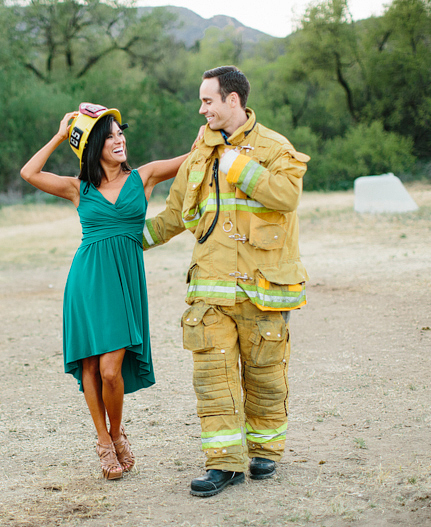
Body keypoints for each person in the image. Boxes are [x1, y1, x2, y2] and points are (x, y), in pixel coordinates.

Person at [142, 66, 311, 497]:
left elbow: (287, 196)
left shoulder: (275, 148)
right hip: (211, 292)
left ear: (232, 100)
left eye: (207, 101)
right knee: (212, 378)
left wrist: (239, 167)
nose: (202, 109)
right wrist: (125, 241)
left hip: (265, 292)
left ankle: (266, 453)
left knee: (266, 378)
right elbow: (175, 215)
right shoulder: (200, 153)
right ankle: (224, 464)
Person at [20, 103, 187, 480]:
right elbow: (28, 172)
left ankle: (116, 433)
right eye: (110, 135)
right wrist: (62, 135)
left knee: (112, 370)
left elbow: (194, 156)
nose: (119, 139)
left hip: (124, 279)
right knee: (90, 365)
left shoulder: (143, 177)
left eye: (120, 132)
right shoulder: (78, 189)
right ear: (93, 146)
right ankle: (103, 442)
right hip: (86, 281)